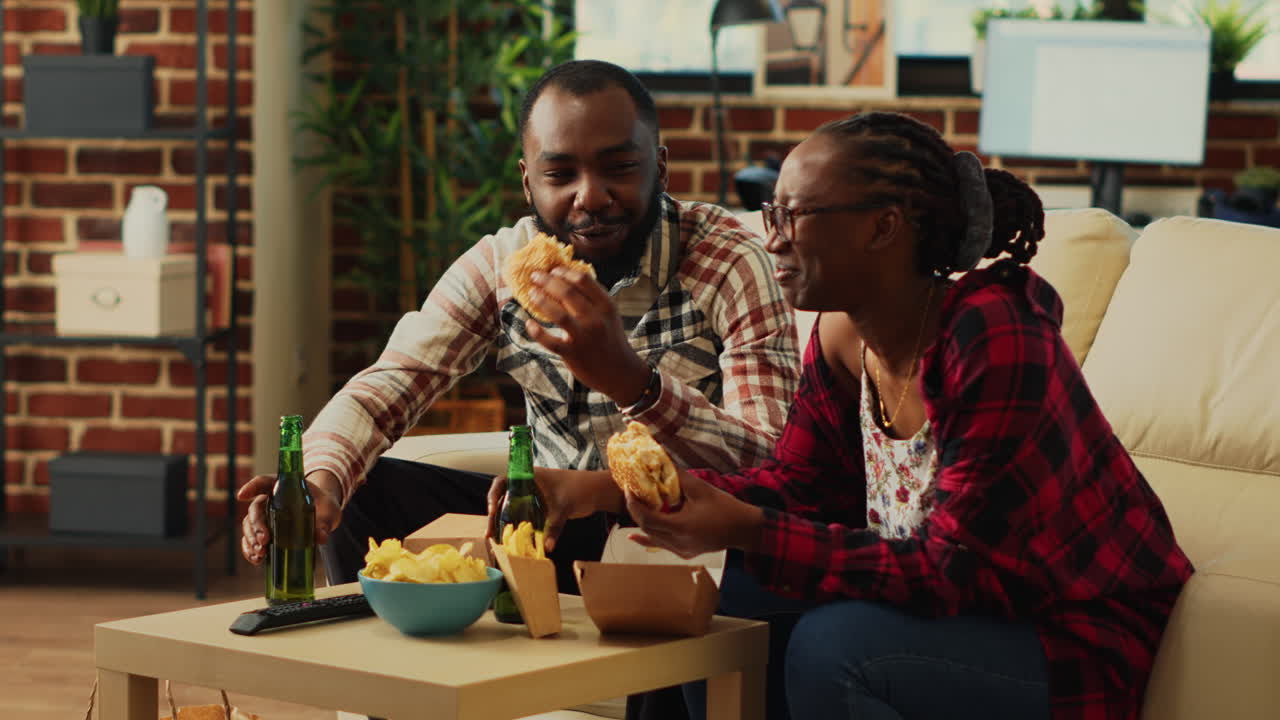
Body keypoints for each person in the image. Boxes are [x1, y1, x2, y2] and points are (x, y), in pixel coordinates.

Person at [500, 111, 1193, 720]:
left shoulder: (993, 334)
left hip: (1063, 637)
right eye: (769, 215)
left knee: (834, 649)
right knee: (703, 598)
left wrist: (748, 526)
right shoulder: (840, 338)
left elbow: (956, 571)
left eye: (792, 217)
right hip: (939, 612)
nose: (770, 241)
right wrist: (603, 492)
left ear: (882, 227)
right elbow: (795, 492)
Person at [237, 58, 797, 622]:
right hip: (545, 532)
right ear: (528, 181)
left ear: (661, 167)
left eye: (620, 167)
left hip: (679, 535)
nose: (591, 197)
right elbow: (387, 387)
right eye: (561, 175)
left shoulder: (729, 263)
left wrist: (633, 382)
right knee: (365, 485)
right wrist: (321, 483)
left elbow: (769, 460)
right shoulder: (504, 267)